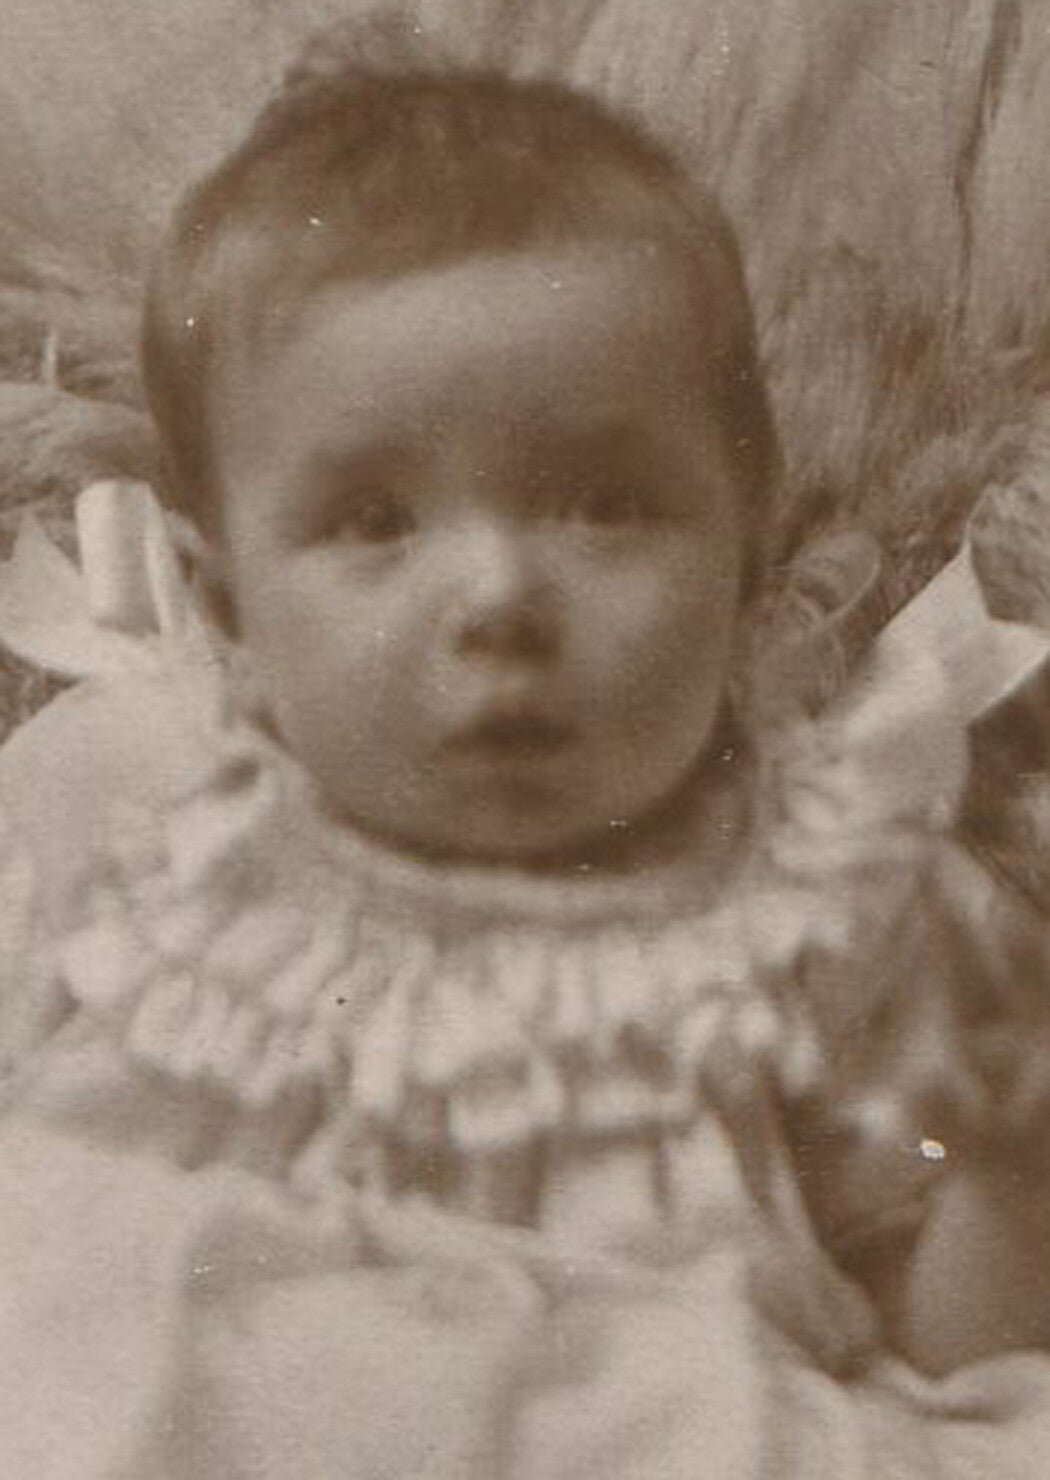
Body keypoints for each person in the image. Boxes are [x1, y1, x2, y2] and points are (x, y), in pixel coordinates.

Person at [2, 18, 1050, 1477]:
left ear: (749, 558)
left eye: (602, 506)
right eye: (374, 524)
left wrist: (1000, 1169)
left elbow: (960, 1372)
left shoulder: (845, 913)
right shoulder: (127, 826)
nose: (497, 597)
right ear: (226, 602)